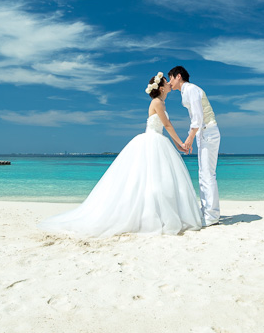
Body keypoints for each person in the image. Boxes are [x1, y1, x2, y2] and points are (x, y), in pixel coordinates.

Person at [38, 72, 202, 238]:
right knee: (149, 180)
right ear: (161, 88)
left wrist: (177, 145)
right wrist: (181, 143)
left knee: (159, 180)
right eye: (166, 82)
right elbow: (166, 124)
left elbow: (165, 127)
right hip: (152, 141)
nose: (169, 85)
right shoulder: (157, 102)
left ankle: (157, 214)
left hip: (159, 140)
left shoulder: (161, 102)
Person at [168, 66, 221, 226]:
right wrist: (193, 137)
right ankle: (207, 211)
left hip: (208, 131)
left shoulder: (191, 89)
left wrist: (189, 139)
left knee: (207, 174)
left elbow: (197, 116)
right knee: (203, 173)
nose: (169, 82)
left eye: (170, 78)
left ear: (178, 76)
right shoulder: (186, 91)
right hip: (203, 133)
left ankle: (211, 216)